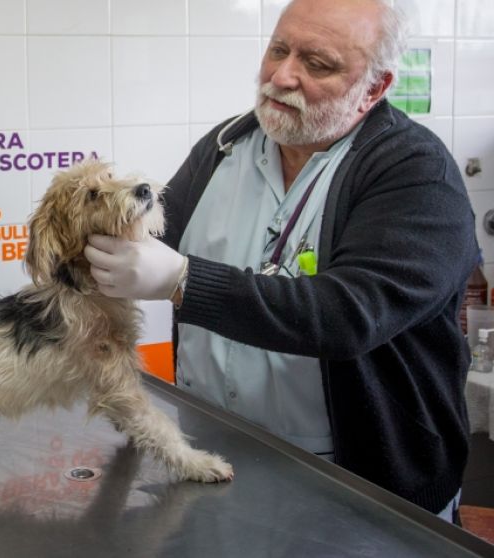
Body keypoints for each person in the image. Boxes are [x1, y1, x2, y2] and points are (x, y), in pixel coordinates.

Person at [85, 0, 476, 521]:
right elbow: (146, 237)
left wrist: (184, 281)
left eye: (317, 64)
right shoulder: (224, 148)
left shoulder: (416, 174)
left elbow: (349, 315)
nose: (282, 76)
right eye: (278, 50)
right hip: (218, 454)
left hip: (361, 488)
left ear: (375, 87)